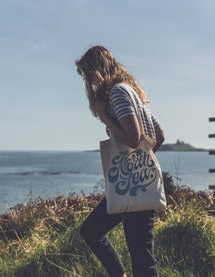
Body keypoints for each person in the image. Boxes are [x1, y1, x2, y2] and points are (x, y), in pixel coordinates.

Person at [75, 45, 165, 277]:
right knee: (91, 231)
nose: (90, 84)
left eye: (88, 77)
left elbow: (134, 138)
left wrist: (104, 116)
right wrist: (143, 163)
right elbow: (159, 135)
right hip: (135, 182)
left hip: (133, 185)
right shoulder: (133, 93)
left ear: (97, 71)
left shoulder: (116, 93)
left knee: (143, 263)